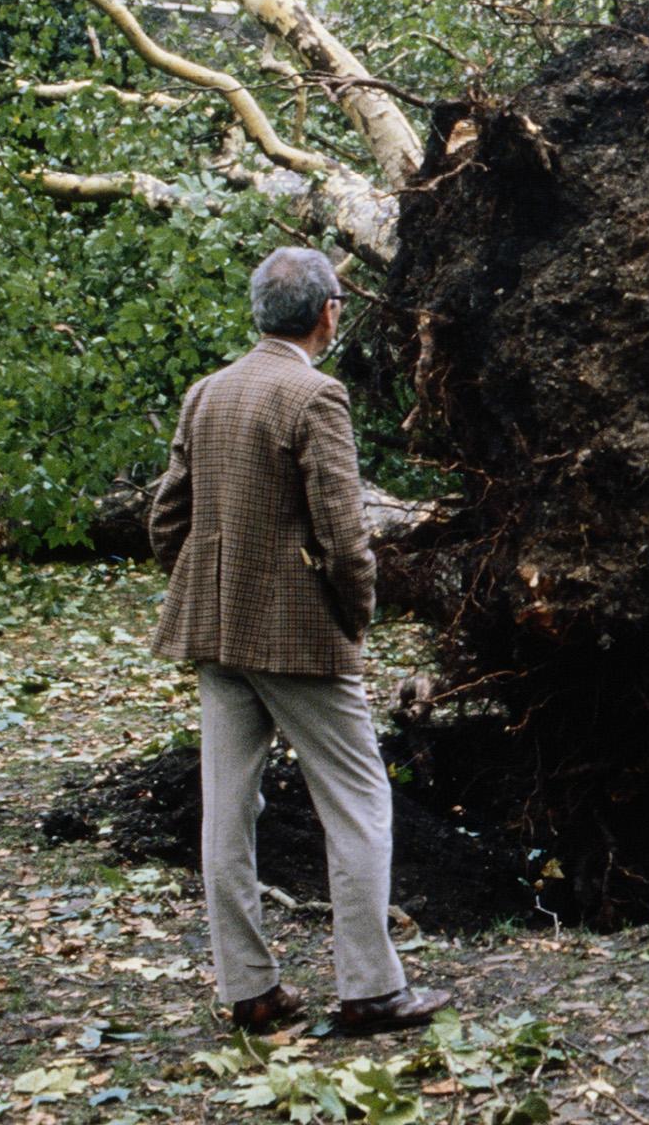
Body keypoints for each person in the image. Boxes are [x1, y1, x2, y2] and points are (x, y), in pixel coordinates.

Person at [148, 246, 450, 1036]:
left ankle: (249, 988)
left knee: (227, 811)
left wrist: (206, 589)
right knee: (358, 802)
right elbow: (346, 536)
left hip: (215, 633)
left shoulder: (206, 393)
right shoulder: (316, 396)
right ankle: (371, 990)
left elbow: (165, 521)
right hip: (300, 635)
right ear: (329, 313)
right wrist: (355, 615)